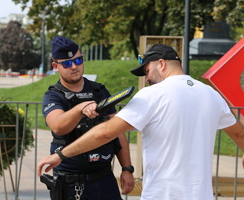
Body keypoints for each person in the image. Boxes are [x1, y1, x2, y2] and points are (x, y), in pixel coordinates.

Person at [37, 43, 244, 200]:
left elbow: (106, 132)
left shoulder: (152, 95)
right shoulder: (210, 94)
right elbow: (239, 133)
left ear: (161, 64)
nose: (146, 79)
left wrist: (61, 154)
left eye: (147, 72)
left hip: (163, 194)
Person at [40, 36, 134, 199]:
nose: (74, 66)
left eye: (78, 60)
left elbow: (117, 131)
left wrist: (127, 169)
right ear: (56, 66)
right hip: (71, 183)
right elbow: (58, 126)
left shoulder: (99, 91)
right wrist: (79, 109)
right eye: (67, 63)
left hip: (105, 179)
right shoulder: (53, 96)